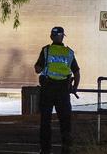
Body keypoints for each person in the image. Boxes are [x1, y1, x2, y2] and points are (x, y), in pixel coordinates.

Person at [34, 26, 80, 154]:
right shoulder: (69, 53)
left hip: (47, 90)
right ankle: (66, 148)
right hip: (63, 91)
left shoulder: (46, 50)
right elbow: (76, 72)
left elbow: (38, 69)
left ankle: (45, 149)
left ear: (51, 37)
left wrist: (39, 67)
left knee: (45, 121)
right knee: (65, 121)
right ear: (62, 37)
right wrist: (74, 88)